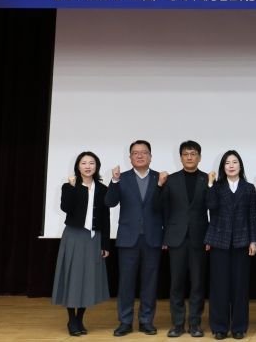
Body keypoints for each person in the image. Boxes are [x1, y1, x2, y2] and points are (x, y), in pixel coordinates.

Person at [105, 140, 164, 337]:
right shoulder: (121, 178)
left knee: (150, 282)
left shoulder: (160, 178)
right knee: (126, 283)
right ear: (130, 157)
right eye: (135, 153)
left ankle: (146, 321)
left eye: (144, 152)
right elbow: (110, 202)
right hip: (128, 239)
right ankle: (125, 321)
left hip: (152, 238)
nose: (139, 155)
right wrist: (114, 181)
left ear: (150, 156)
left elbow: (166, 209)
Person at [153, 140, 209, 338]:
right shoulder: (171, 180)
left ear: (199, 157)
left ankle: (195, 324)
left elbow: (213, 209)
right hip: (176, 239)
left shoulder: (207, 179)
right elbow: (159, 207)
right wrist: (159, 185)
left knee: (197, 284)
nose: (189, 157)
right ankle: (177, 324)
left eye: (193, 154)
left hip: (199, 239)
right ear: (181, 157)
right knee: (176, 284)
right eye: (186, 154)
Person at [52, 151, 110, 336]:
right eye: (84, 163)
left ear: (96, 166)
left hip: (94, 238)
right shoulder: (69, 186)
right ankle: (71, 320)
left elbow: (106, 218)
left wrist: (105, 244)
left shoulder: (103, 189)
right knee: (72, 277)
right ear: (78, 166)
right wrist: (72, 187)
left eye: (91, 163)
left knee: (88, 278)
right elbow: (66, 207)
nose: (87, 166)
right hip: (74, 236)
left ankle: (79, 319)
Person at [204, 150, 256, 340]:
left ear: (240, 165)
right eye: (227, 163)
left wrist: (253, 241)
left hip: (242, 243)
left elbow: (252, 216)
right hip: (219, 242)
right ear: (223, 167)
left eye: (234, 162)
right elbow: (211, 206)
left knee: (240, 288)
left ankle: (239, 327)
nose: (231, 166)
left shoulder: (249, 188)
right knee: (219, 287)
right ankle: (219, 328)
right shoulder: (216, 187)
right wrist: (210, 184)